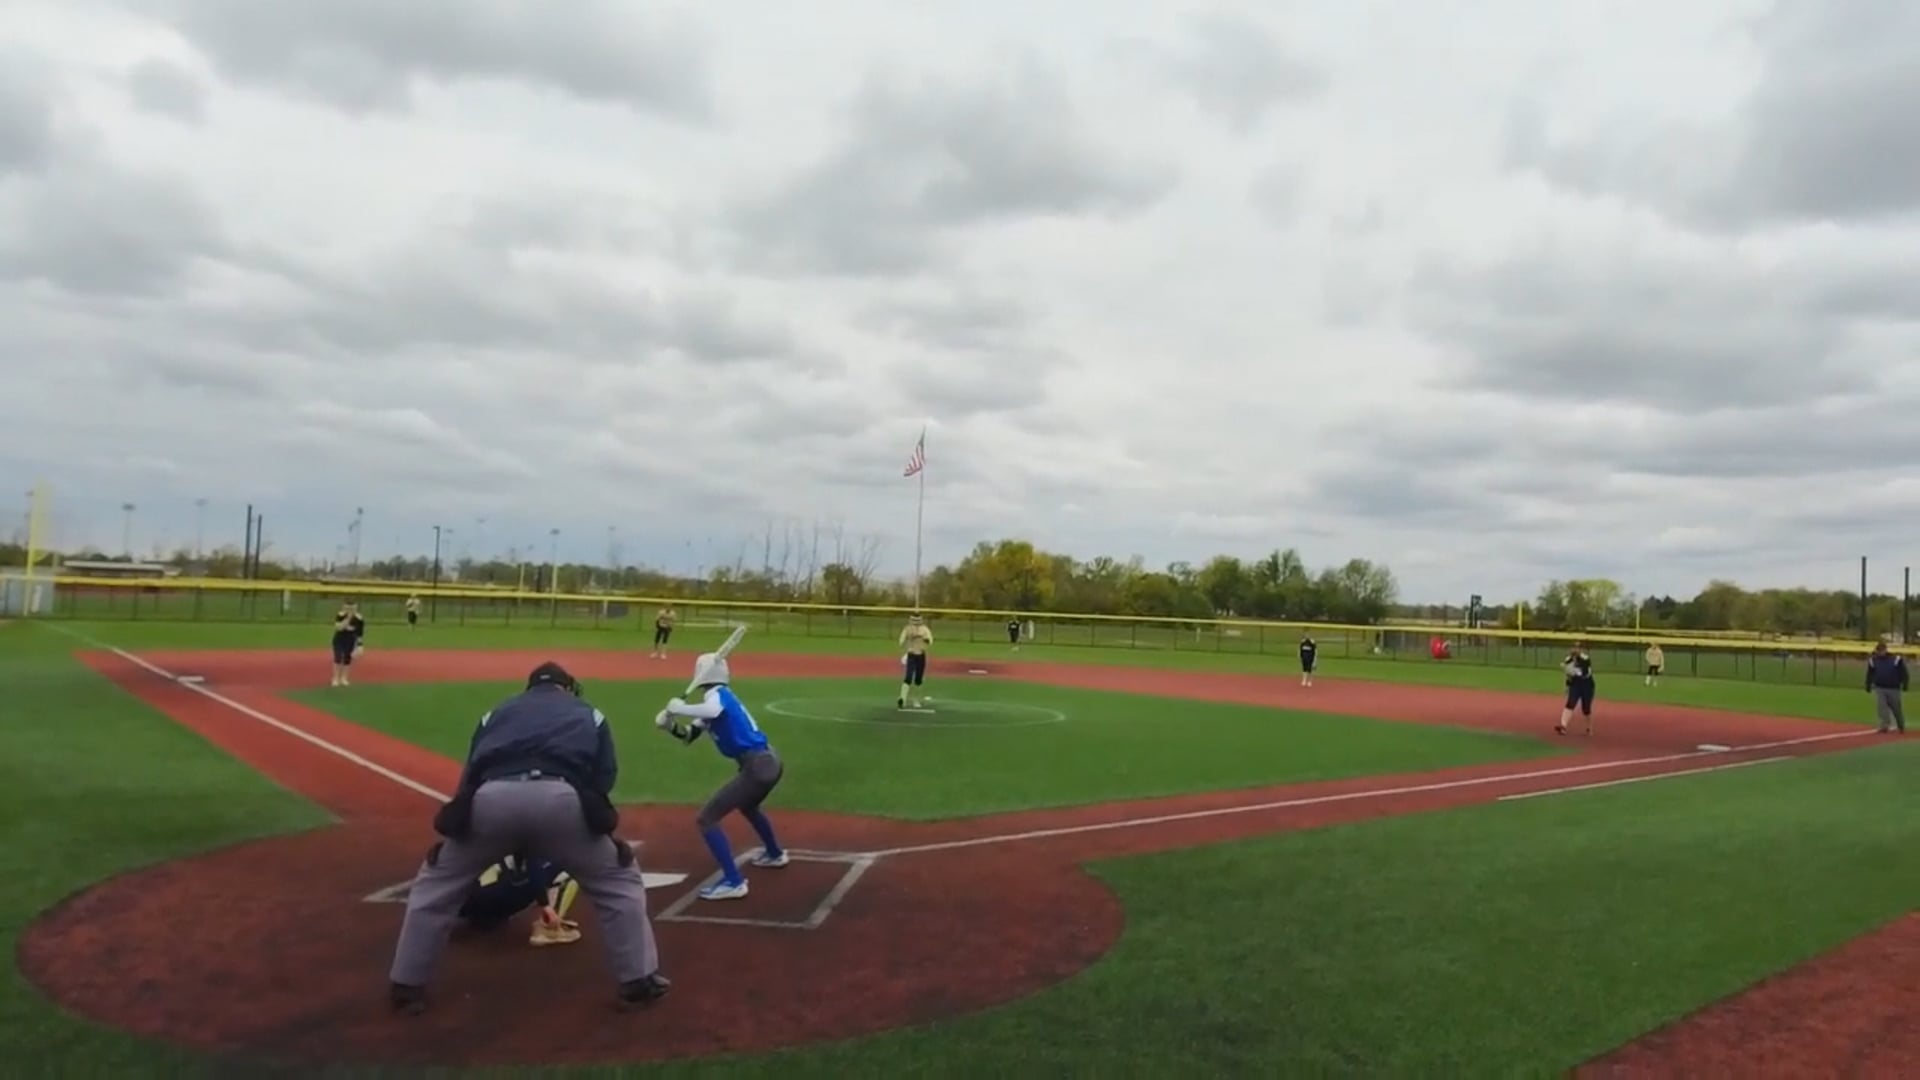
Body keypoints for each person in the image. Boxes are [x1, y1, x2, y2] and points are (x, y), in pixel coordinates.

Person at [386, 661, 669, 1014]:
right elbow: (603, 778)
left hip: (490, 801)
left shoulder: (496, 713)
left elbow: (471, 775)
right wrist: (593, 825)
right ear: (567, 687)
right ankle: (637, 981)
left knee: (436, 883)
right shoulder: (589, 713)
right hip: (560, 802)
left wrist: (462, 831)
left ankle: (406, 985)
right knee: (618, 879)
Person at [656, 649, 788, 901]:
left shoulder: (717, 696)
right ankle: (774, 854)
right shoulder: (716, 700)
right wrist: (669, 726)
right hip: (766, 763)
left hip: (759, 765)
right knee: (748, 806)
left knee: (706, 819)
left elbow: (713, 711)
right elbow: (689, 736)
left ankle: (734, 881)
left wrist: (681, 707)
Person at [458, 853, 582, 946]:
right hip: (492, 901)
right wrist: (546, 906)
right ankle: (548, 927)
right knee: (569, 875)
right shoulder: (542, 842)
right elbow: (536, 876)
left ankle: (480, 917)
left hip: (462, 899)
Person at [1866, 640, 1908, 735]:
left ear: (1885, 650)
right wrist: (1868, 684)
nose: (1880, 652)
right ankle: (1884, 725)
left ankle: (1900, 725)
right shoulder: (1873, 660)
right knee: (1882, 707)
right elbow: (1870, 673)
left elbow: (1904, 672)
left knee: (1896, 708)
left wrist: (1905, 684)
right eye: (1879, 651)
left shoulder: (1896, 659)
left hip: (1893, 688)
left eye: (1882, 650)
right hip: (1880, 687)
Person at [1557, 641, 1596, 736]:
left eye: (1578, 648)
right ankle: (1563, 726)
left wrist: (1572, 670)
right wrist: (1567, 685)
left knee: (1586, 708)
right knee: (1570, 703)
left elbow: (1584, 673)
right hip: (1575, 684)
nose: (1575, 650)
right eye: (1574, 648)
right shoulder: (1568, 659)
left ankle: (1589, 727)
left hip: (1587, 684)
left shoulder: (1585, 659)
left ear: (1581, 649)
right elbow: (1568, 675)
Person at [898, 613, 933, 710]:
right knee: (908, 677)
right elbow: (901, 641)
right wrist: (907, 640)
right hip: (911, 655)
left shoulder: (924, 629)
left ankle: (916, 700)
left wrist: (924, 639)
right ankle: (902, 699)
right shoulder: (907, 629)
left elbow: (930, 641)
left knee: (918, 679)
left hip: (921, 655)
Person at [330, 601, 365, 687]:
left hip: (350, 640)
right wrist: (348, 619)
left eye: (352, 608)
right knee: (338, 657)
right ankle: (335, 678)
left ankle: (344, 678)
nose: (350, 610)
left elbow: (359, 634)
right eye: (348, 608)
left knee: (347, 658)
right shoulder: (340, 615)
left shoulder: (359, 618)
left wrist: (360, 645)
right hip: (339, 639)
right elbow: (339, 628)